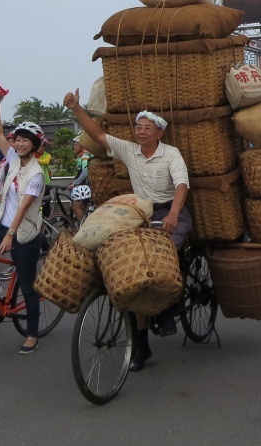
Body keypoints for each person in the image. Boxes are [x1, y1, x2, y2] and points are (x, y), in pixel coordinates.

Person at [68, 89, 192, 370]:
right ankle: (141, 345)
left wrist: (173, 212)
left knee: (163, 252)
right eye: (138, 127)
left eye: (148, 128)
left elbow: (182, 184)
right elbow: (98, 136)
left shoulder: (171, 154)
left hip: (171, 210)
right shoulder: (129, 150)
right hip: (142, 212)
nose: (141, 132)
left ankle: (170, 306)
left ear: (159, 133)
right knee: (133, 268)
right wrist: (77, 108)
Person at [0, 105, 48, 354]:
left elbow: (23, 207)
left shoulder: (36, 173)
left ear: (35, 145)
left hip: (24, 232)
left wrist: (11, 235)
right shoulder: (12, 159)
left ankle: (32, 334)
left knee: (28, 285)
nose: (19, 144)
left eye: (25, 141)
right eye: (18, 140)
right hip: (3, 224)